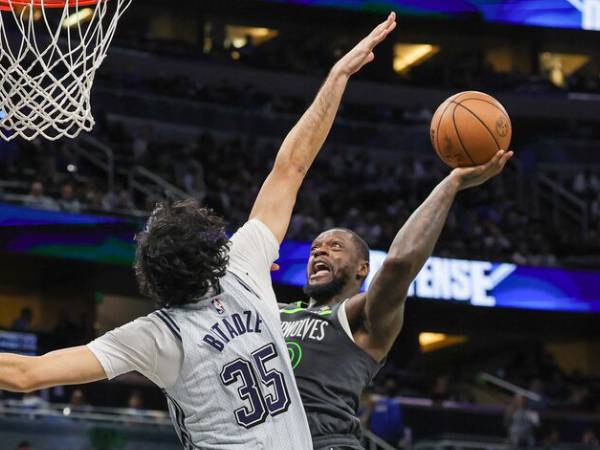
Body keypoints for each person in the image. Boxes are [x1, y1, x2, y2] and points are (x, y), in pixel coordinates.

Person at [0, 13, 397, 450]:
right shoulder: (242, 266)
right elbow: (292, 166)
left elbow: (26, 375)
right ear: (213, 253)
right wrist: (338, 75)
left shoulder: (157, 334)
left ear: (150, 278)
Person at [281, 146, 513, 449]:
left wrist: (452, 183)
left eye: (335, 246)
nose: (320, 251)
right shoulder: (276, 312)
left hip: (325, 442)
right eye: (315, 248)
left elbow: (399, 265)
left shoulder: (361, 318)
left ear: (362, 269)